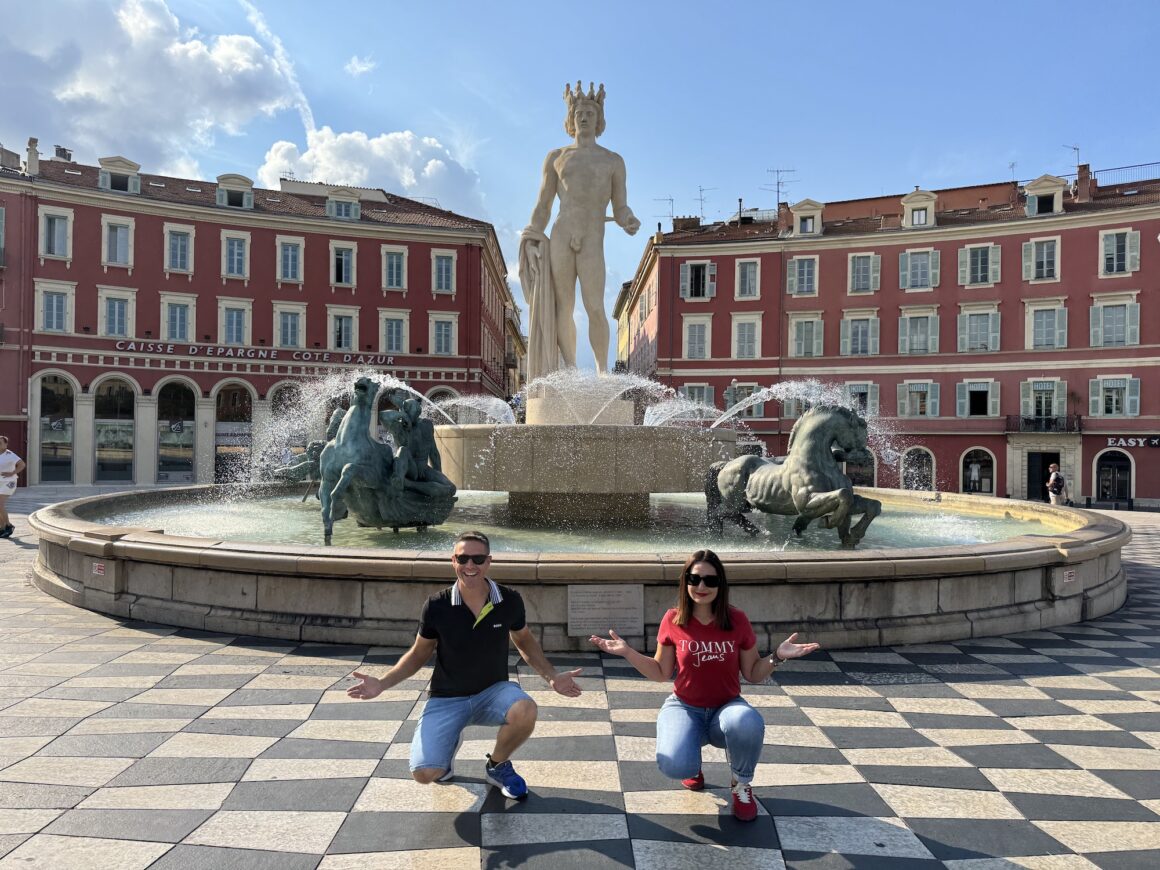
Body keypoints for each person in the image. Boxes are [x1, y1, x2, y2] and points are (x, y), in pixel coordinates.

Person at [347, 531, 582, 799]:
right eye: (463, 558)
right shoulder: (437, 605)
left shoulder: (509, 600)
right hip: (447, 698)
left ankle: (497, 765)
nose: (470, 566)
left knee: (525, 709)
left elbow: (524, 641)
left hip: (493, 692)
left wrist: (551, 676)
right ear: (453, 561)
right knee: (425, 774)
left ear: (488, 561)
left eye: (478, 559)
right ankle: (446, 753)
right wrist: (382, 683)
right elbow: (418, 654)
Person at [589, 548, 820, 821]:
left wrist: (778, 656)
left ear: (720, 585)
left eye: (710, 581)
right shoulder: (673, 619)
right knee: (676, 766)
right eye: (694, 578)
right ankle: (692, 762)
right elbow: (662, 672)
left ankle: (741, 783)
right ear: (685, 581)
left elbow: (753, 673)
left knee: (747, 721)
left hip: (726, 707)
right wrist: (628, 652)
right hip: (685, 707)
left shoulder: (737, 620)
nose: (701, 586)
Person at [520, 82, 640, 379]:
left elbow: (620, 206)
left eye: (590, 112)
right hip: (562, 234)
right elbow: (543, 205)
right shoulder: (556, 157)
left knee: (594, 305)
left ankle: (601, 370)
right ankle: (571, 370)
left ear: (599, 120)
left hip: (592, 237)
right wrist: (533, 236)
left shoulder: (613, 161)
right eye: (579, 112)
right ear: (570, 119)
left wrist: (628, 220)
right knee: (564, 304)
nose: (584, 116)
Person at [0, 436, 25, 539]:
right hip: (0, 481)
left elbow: (22, 465)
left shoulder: (10, 455)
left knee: (0, 504)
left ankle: (9, 526)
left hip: (9, 482)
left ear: (6, 444)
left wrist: (12, 473)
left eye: (0, 443)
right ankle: (2, 527)